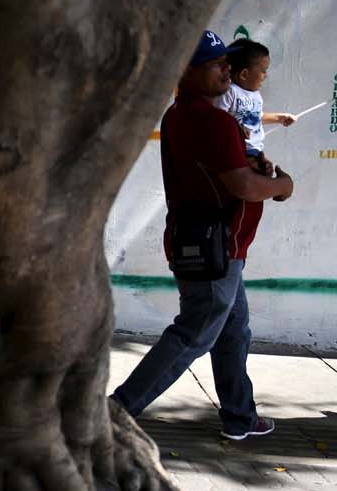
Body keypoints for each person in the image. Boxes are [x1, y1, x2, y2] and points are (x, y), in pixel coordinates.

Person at [110, 30, 294, 440]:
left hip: (222, 246)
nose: (227, 68)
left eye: (226, 61)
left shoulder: (189, 116)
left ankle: (239, 418)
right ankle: (116, 412)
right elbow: (242, 186)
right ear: (185, 71)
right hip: (215, 249)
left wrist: (256, 168)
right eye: (216, 63)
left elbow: (234, 173)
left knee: (233, 331)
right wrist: (283, 185)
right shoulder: (207, 119)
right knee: (194, 333)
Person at [215, 38, 295, 171]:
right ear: (244, 74)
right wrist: (236, 127)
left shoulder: (256, 95)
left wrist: (279, 118)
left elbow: (254, 117)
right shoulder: (230, 92)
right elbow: (217, 119)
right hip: (238, 152)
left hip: (256, 151)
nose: (265, 76)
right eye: (263, 70)